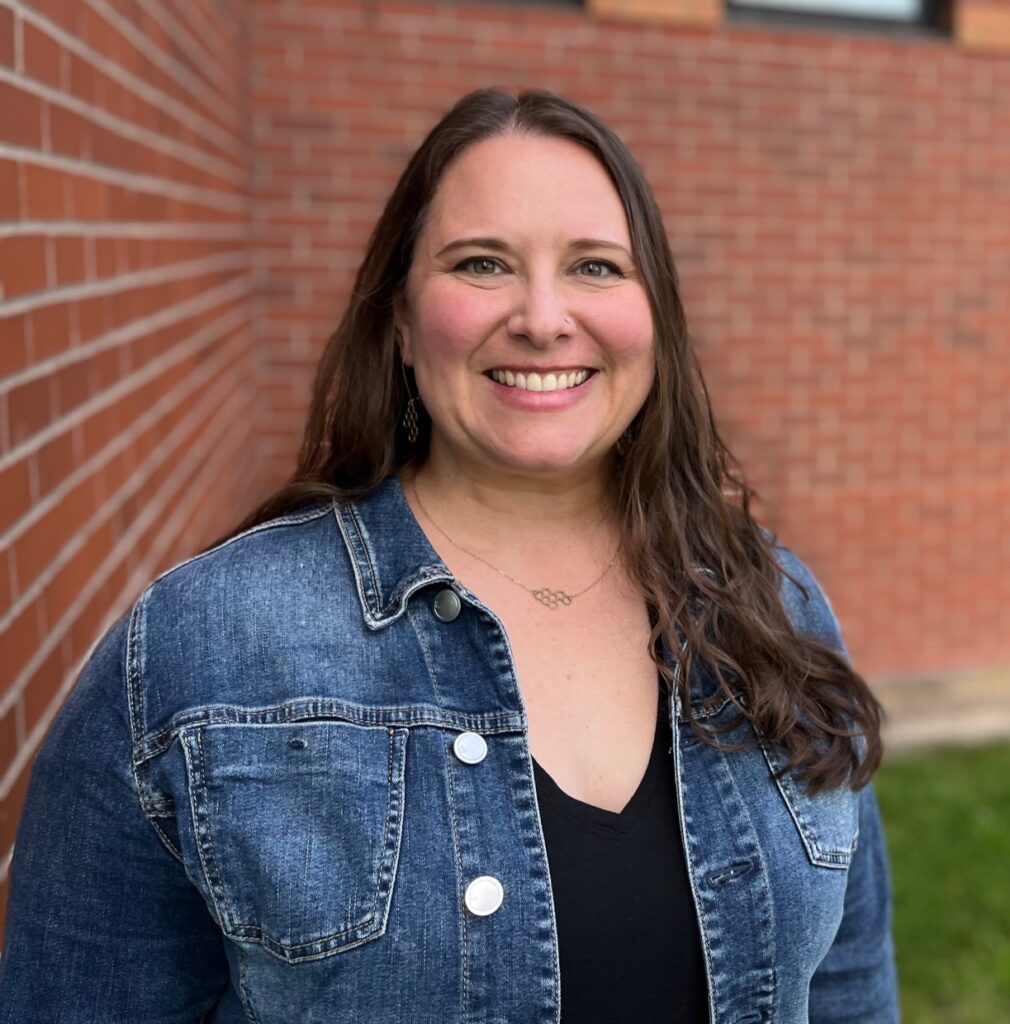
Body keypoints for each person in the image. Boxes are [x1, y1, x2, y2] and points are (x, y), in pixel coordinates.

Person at [0, 87, 898, 1023]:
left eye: (595, 267)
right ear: (398, 319)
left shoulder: (774, 607)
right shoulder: (202, 649)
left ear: (656, 318)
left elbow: (846, 984)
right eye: (482, 264)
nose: (544, 319)